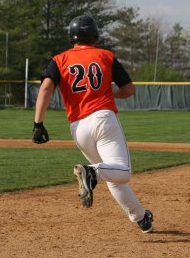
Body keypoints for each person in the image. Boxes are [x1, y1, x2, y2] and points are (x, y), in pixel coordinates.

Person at [32, 14, 153, 233]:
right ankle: (91, 173)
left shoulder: (59, 60)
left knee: (112, 174)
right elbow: (129, 90)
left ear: (72, 37)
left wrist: (38, 124)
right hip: (103, 119)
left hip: (78, 128)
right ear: (94, 35)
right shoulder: (105, 55)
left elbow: (46, 88)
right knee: (121, 171)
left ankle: (141, 217)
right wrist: (111, 94)